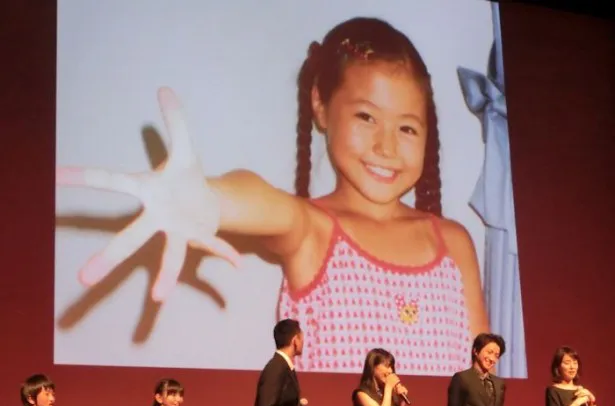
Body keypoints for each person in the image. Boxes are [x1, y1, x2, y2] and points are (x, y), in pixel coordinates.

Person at [56, 17, 489, 376]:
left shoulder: (454, 243)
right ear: (320, 105)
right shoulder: (313, 229)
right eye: (366, 116)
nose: (387, 147)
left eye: (407, 127)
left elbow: (486, 376)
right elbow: (267, 203)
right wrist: (210, 199)